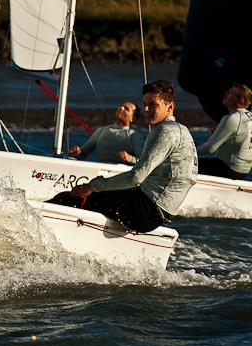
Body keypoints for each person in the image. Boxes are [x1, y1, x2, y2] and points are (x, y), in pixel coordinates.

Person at [48, 80, 197, 232]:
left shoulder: (164, 132)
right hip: (160, 212)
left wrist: (92, 186)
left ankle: (42, 222)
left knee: (70, 198)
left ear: (170, 106)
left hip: (145, 212)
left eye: (152, 104)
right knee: (100, 194)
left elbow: (136, 177)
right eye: (144, 104)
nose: (145, 109)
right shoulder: (183, 131)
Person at [196, 82, 252, 179]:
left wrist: (189, 152)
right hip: (244, 171)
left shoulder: (232, 118)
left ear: (240, 101)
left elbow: (210, 148)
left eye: (230, 93)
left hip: (228, 170)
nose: (225, 94)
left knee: (187, 164)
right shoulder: (249, 116)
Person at [68, 101, 145, 164]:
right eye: (121, 106)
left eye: (126, 109)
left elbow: (143, 162)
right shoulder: (101, 131)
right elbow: (82, 154)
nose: (121, 108)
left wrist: (130, 158)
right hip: (99, 174)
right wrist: (76, 152)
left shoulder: (134, 136)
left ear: (132, 118)